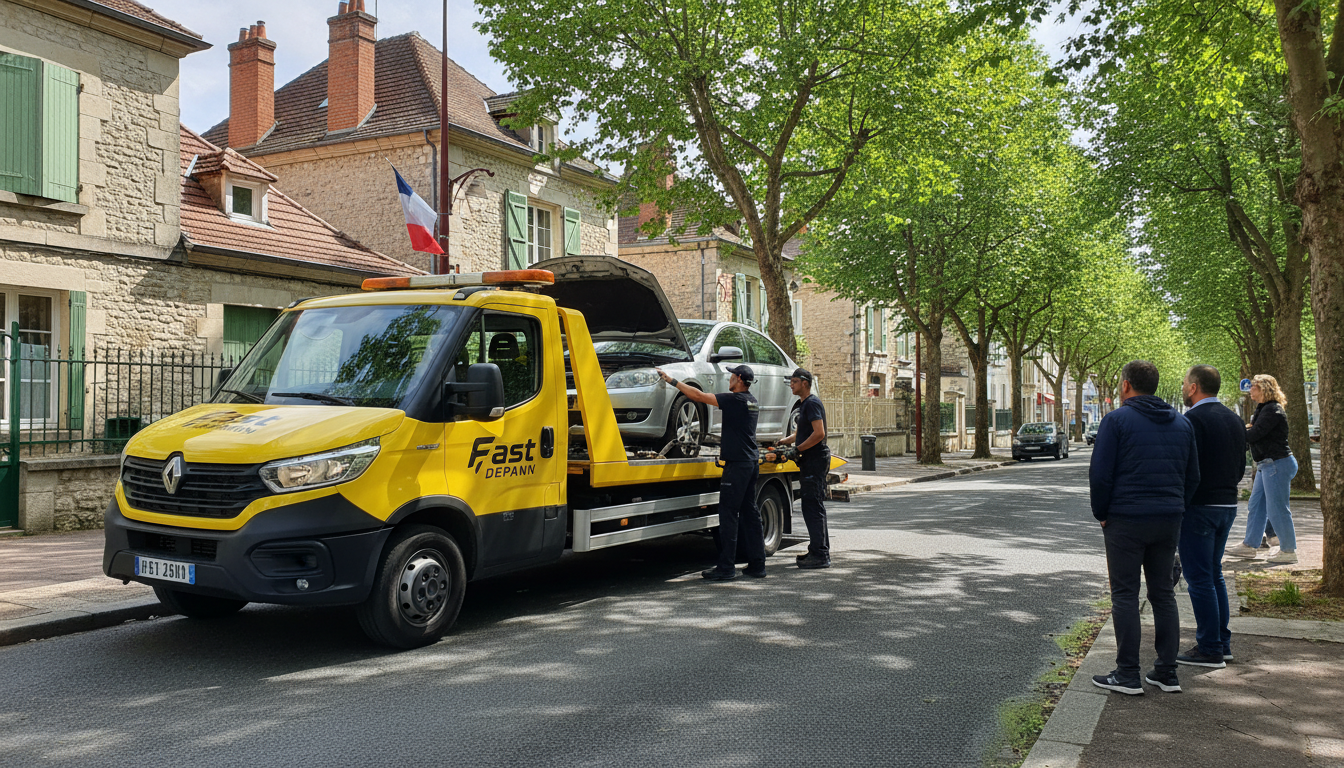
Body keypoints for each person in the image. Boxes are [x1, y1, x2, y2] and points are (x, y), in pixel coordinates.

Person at [1089, 360, 1200, 695]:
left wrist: (1102, 513)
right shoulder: (1182, 424)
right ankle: (1166, 671)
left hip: (1126, 519)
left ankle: (1128, 673)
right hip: (1168, 519)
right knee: (1163, 593)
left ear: (1126, 386)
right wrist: (1177, 507)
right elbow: (1192, 476)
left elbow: (1100, 474)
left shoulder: (1116, 421)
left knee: (1125, 594)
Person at [656, 363, 765, 580]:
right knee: (750, 514)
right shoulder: (751, 401)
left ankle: (726, 567)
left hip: (737, 465)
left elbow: (698, 395)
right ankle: (757, 565)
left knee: (728, 515)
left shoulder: (735, 400)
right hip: (751, 463)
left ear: (740, 379)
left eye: (732, 375)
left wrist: (672, 381)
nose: (729, 378)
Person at [1176, 365, 1246, 669]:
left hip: (1200, 507)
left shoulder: (1191, 420)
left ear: (1194, 388)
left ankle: (1209, 648)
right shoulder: (1234, 418)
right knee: (1213, 573)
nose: (1182, 388)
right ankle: (1221, 642)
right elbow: (1241, 466)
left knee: (1199, 577)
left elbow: (1186, 468)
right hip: (1227, 505)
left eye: (1184, 384)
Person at [1226, 374, 1299, 564]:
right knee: (1256, 505)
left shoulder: (1273, 410)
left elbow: (1254, 434)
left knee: (1277, 509)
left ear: (1264, 388)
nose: (1250, 389)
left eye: (1253, 386)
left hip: (1276, 464)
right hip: (1267, 464)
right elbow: (1252, 429)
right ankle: (1250, 545)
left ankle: (1289, 550)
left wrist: (1234, 430)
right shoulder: (1264, 409)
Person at [775, 368, 830, 568]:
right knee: (812, 507)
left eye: (795, 381)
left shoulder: (812, 403)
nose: (791, 384)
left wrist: (796, 450)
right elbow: (802, 432)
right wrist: (784, 442)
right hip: (810, 460)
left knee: (813, 507)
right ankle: (817, 550)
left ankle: (821, 555)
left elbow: (818, 434)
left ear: (805, 382)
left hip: (815, 460)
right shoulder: (805, 404)